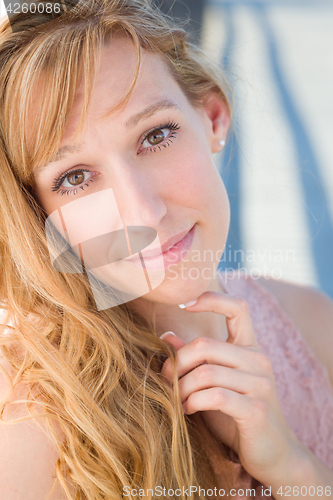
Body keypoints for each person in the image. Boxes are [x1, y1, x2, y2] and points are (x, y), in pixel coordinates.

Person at [0, 1, 333, 499]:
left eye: (156, 135)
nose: (145, 214)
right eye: (74, 178)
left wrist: (293, 466)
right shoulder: (29, 410)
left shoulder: (309, 322)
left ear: (213, 118)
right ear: (37, 214)